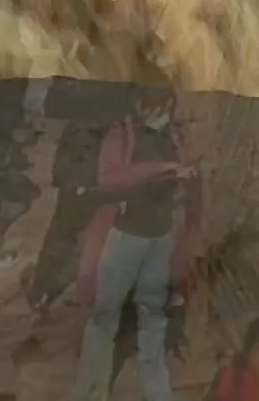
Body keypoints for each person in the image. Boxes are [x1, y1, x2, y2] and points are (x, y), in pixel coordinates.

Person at [68, 90, 197, 401]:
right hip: (126, 236)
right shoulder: (122, 134)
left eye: (164, 105)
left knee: (154, 315)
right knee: (104, 316)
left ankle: (158, 393)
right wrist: (159, 169)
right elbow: (110, 178)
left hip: (161, 237)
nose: (158, 111)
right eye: (153, 105)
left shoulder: (176, 136)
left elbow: (186, 179)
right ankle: (89, 390)